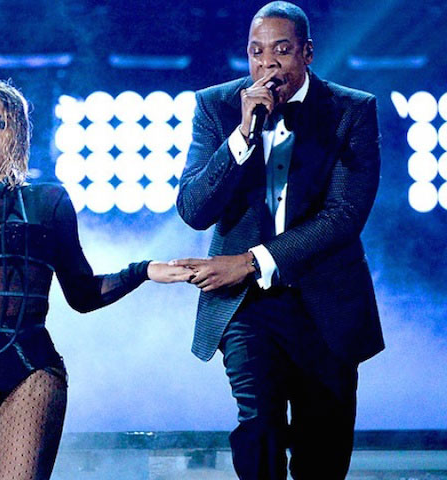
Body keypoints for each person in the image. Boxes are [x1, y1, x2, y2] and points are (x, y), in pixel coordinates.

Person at [0, 78, 191, 480]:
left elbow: (82, 294)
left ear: (18, 132)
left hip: (28, 366)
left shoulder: (50, 202)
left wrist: (143, 271)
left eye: (0, 123)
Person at [173, 2, 384, 479]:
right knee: (260, 426)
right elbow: (194, 209)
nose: (267, 65)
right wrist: (242, 136)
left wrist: (250, 260)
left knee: (322, 449)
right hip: (246, 305)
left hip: (325, 301)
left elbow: (344, 218)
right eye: (256, 52)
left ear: (307, 53)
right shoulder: (217, 106)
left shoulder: (351, 111)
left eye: (282, 51)